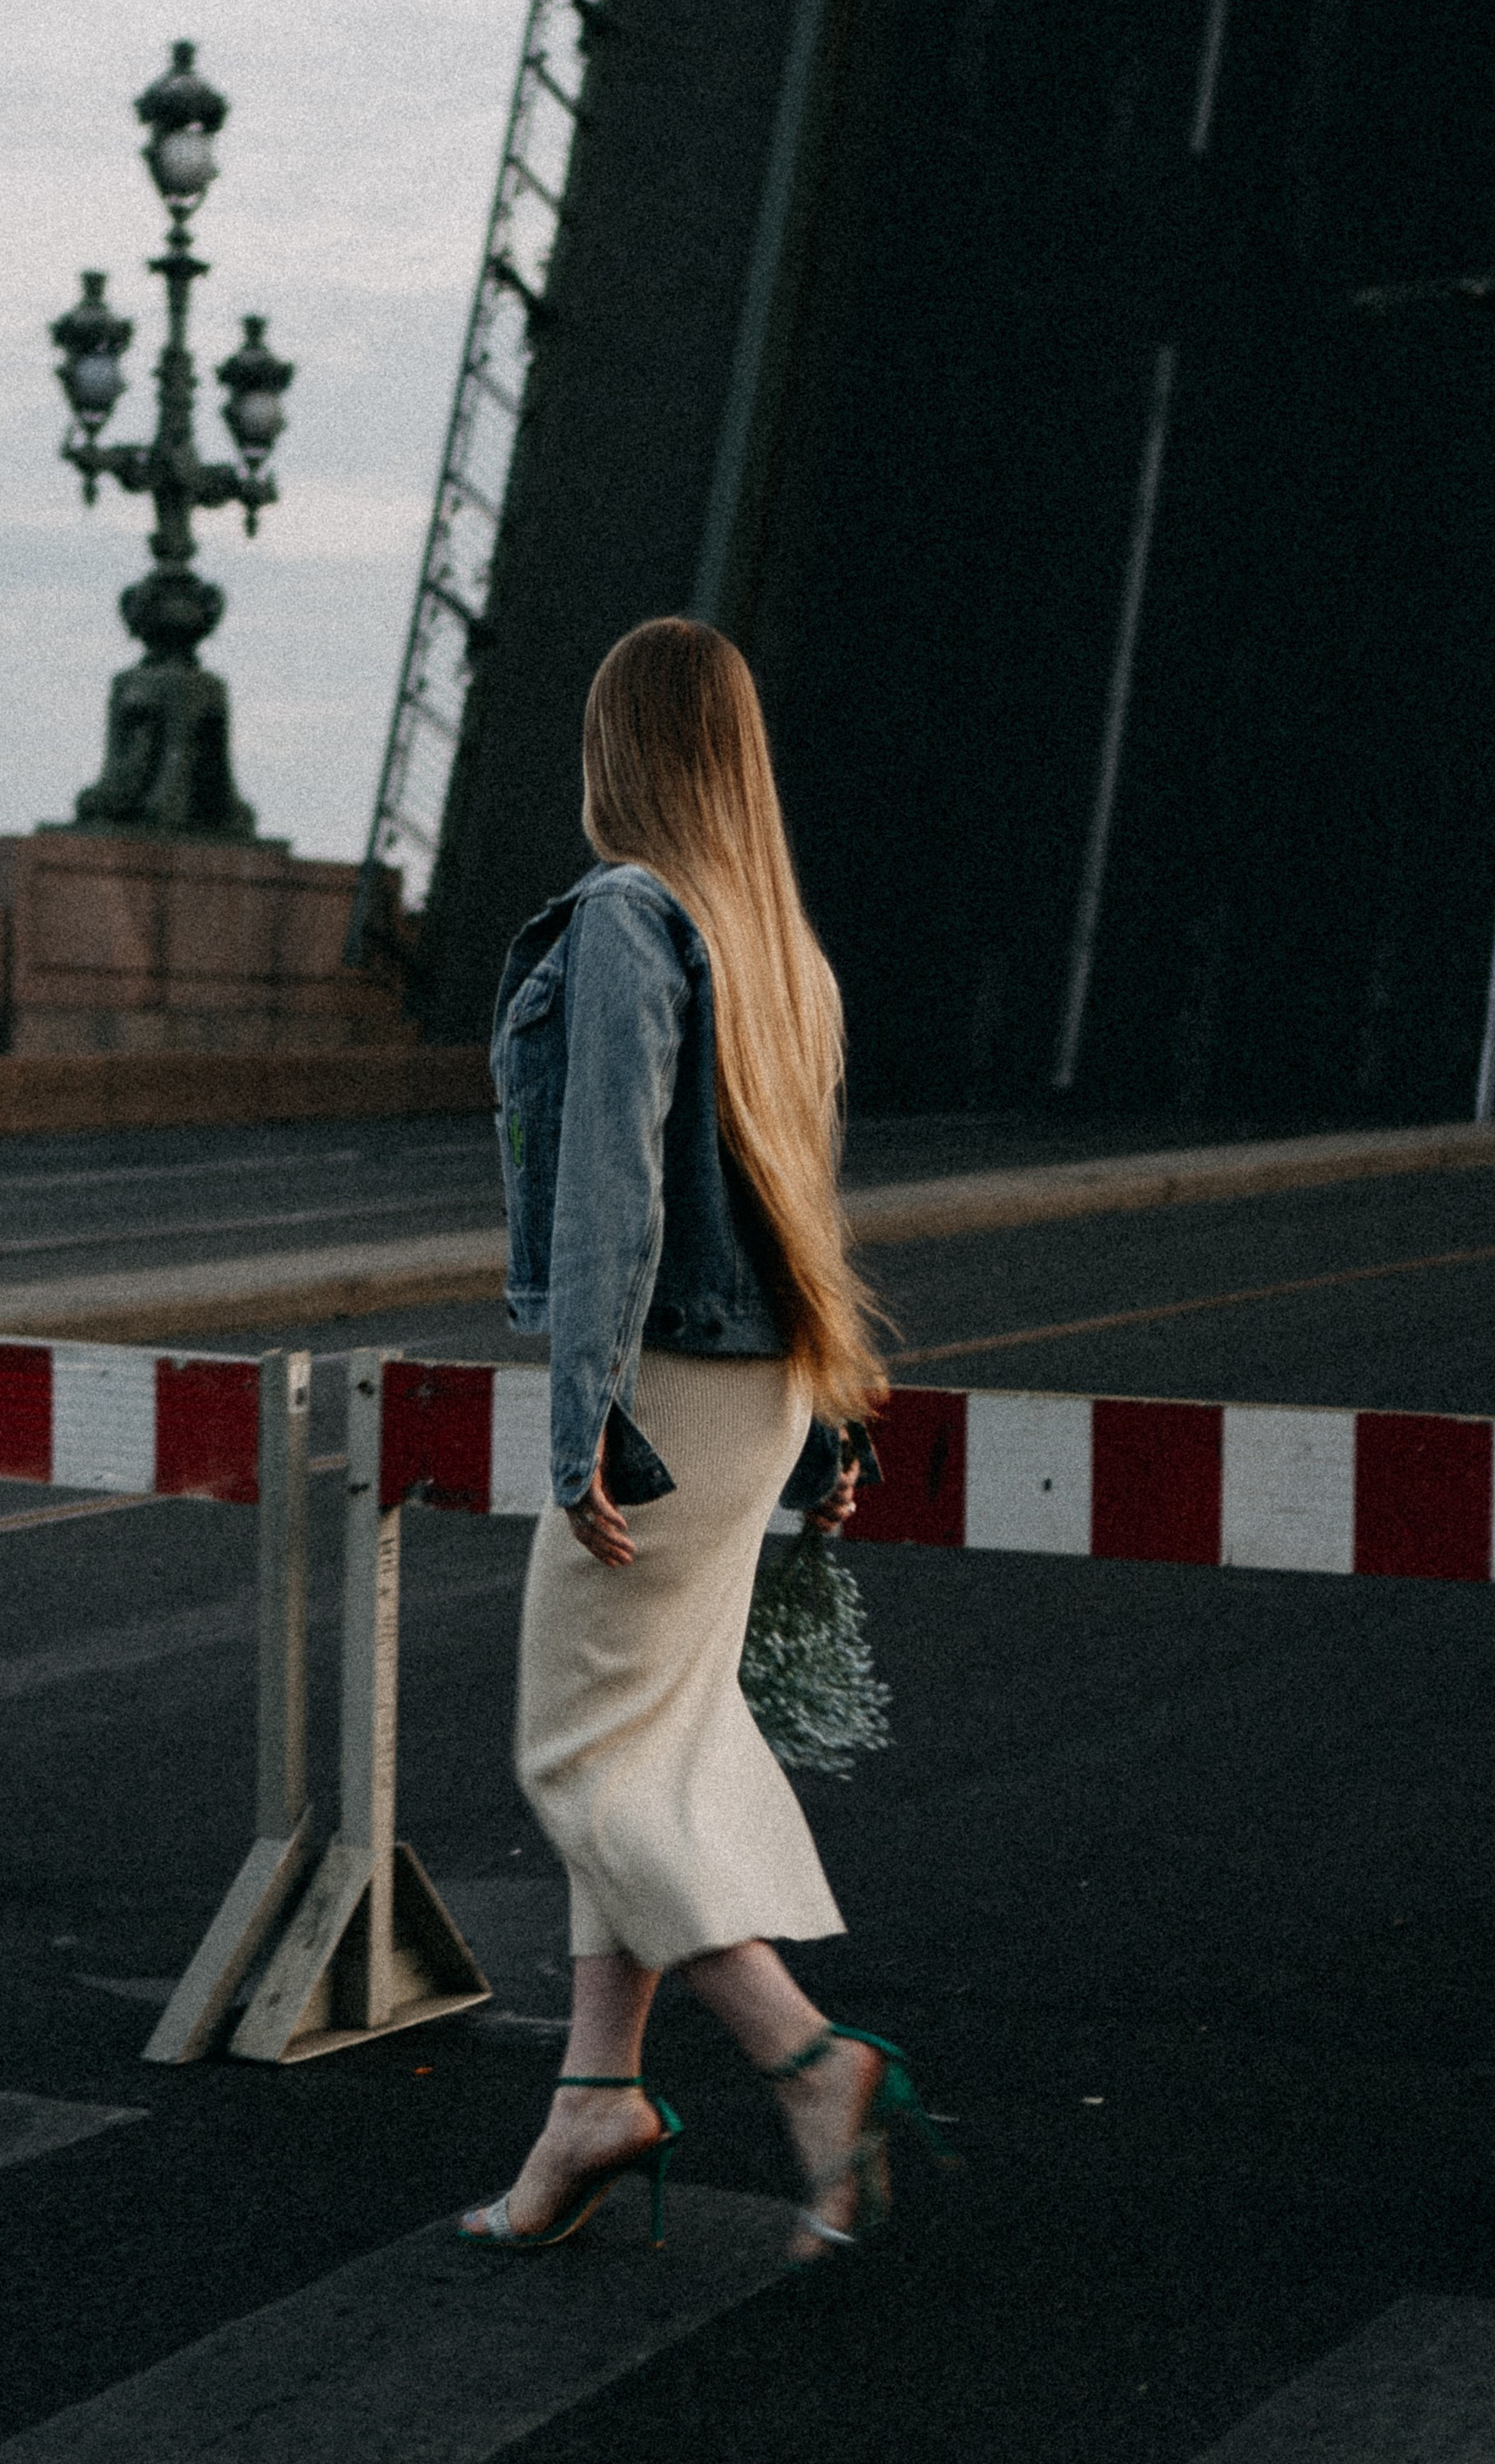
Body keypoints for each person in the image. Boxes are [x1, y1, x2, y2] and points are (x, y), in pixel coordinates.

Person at [459, 617, 946, 2264]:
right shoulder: (777, 948)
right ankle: (590, 2099)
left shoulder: (624, 918)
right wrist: (819, 1432)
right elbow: (794, 1206)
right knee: (647, 1758)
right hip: (755, 1399)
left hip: (659, 1387)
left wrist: (581, 1404)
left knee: (576, 1760)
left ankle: (809, 2062)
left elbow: (615, 1187)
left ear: (620, 753)